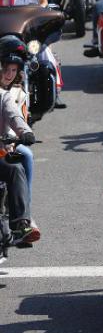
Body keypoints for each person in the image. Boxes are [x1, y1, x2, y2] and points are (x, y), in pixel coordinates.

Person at [0, 37, 39, 245]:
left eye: (13, 70)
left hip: (3, 149)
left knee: (18, 166)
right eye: (6, 68)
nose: (9, 74)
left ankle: (21, 222)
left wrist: (25, 132)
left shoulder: (5, 96)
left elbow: (15, 117)